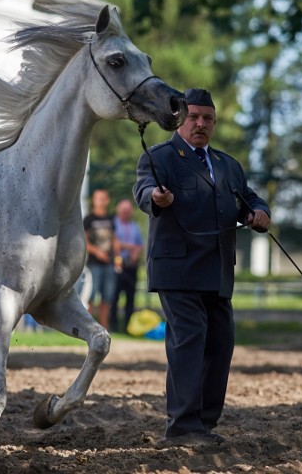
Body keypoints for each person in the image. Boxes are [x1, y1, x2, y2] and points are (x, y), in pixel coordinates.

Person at [133, 87, 271, 444]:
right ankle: (182, 426)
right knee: (190, 339)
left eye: (207, 118)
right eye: (193, 117)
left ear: (214, 123)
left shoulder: (228, 165)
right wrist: (156, 198)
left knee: (221, 342)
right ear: (181, 119)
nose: (200, 124)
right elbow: (143, 190)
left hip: (218, 270)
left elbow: (248, 198)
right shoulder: (161, 156)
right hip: (176, 269)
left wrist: (259, 213)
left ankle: (203, 423)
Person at [79, 188, 119, 327]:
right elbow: (84, 242)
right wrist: (97, 251)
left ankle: (104, 328)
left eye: (104, 198)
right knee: (91, 296)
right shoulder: (89, 219)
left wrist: (118, 255)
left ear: (107, 200)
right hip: (94, 264)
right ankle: (89, 327)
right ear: (94, 201)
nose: (101, 201)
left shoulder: (111, 219)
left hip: (109, 264)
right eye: (98, 198)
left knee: (107, 298)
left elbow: (114, 239)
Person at [110, 199, 144, 333]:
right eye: (124, 211)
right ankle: (113, 326)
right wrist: (131, 247)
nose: (126, 213)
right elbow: (115, 243)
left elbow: (140, 245)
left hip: (132, 266)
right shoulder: (113, 224)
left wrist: (136, 252)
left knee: (131, 298)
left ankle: (128, 327)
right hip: (118, 265)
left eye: (128, 211)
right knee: (115, 296)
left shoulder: (135, 226)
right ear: (118, 211)